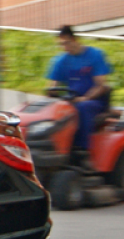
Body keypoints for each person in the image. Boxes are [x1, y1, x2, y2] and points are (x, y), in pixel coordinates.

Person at [46, 25, 112, 162]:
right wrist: (51, 96)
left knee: (81, 108)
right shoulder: (61, 61)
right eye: (61, 44)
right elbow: (53, 86)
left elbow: (101, 85)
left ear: (75, 39)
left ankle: (82, 150)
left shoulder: (95, 55)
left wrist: (84, 98)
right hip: (73, 98)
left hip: (95, 101)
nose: (64, 47)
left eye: (66, 43)